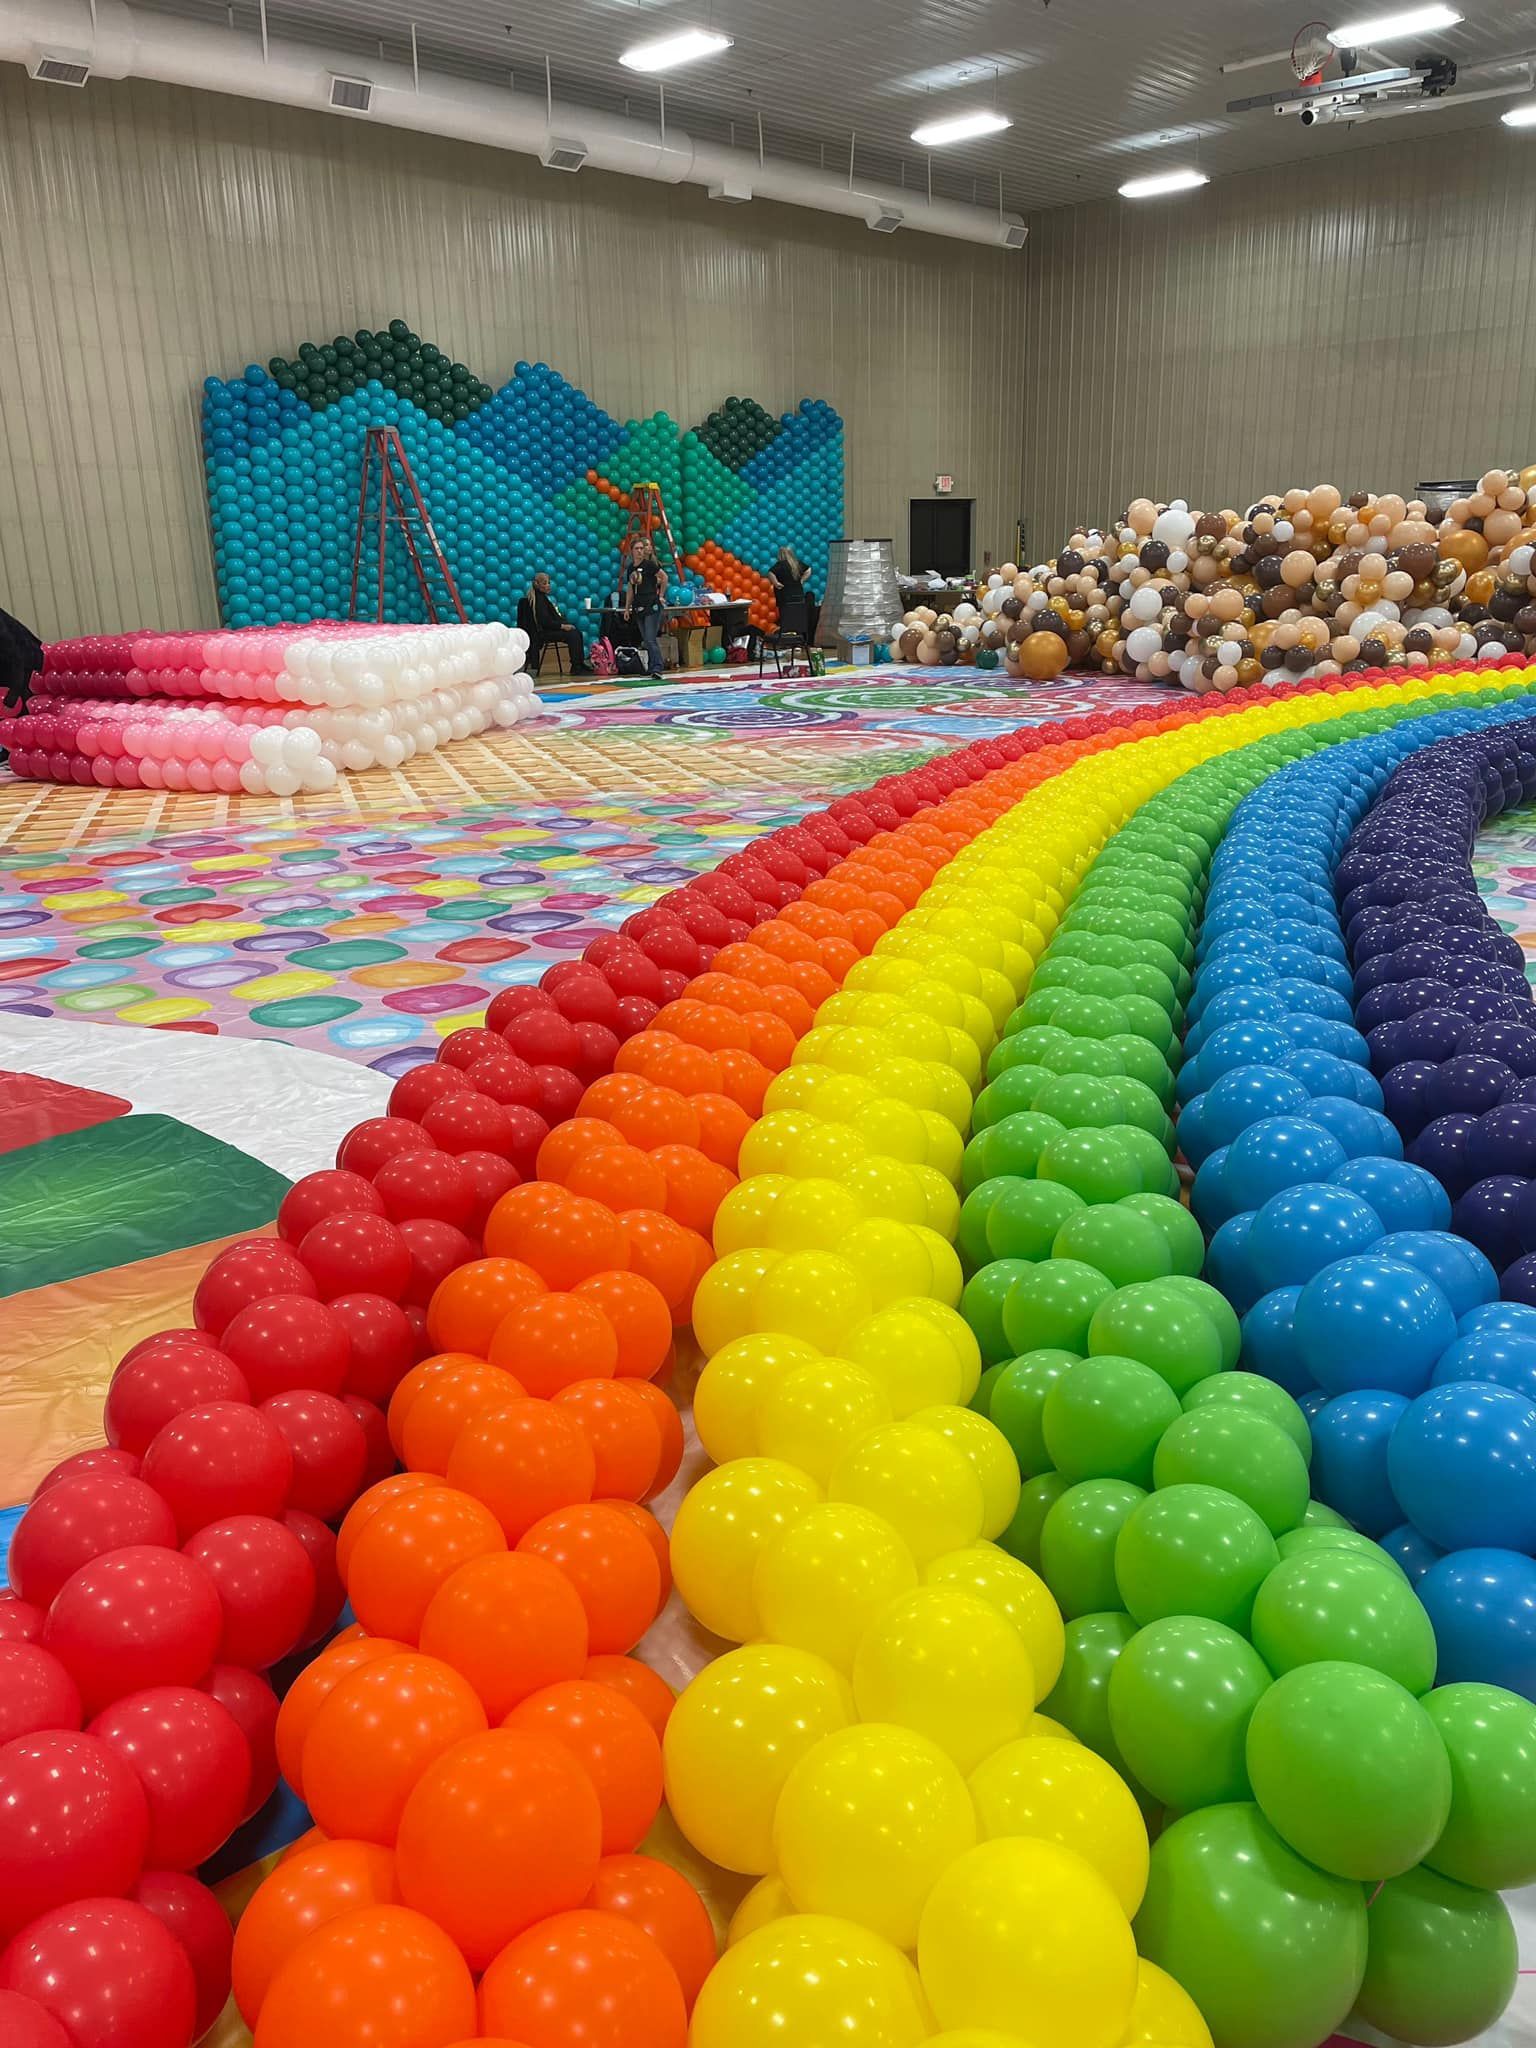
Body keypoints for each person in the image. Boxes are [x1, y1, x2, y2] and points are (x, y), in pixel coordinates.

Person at [516, 573, 588, 674]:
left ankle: (580, 664)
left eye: (549, 583)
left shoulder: (542, 598)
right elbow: (545, 622)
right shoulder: (539, 600)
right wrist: (562, 626)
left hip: (548, 630)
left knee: (575, 632)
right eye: (545, 583)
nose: (548, 585)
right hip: (543, 633)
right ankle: (576, 666)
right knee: (573, 634)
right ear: (537, 585)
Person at [625, 537, 669, 678]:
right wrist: (627, 607)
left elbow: (664, 577)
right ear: (631, 551)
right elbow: (630, 588)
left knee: (650, 638)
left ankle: (657, 667)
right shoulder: (631, 568)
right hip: (638, 606)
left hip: (652, 605)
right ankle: (651, 666)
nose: (639, 551)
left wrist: (661, 595)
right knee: (646, 639)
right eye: (636, 549)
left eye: (641, 548)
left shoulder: (649, 565)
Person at [770, 546, 821, 643]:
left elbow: (770, 573)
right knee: (798, 620)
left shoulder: (780, 565)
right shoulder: (796, 564)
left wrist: (776, 583)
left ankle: (786, 639)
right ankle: (801, 639)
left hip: (785, 596)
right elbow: (809, 569)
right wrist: (802, 580)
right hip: (798, 596)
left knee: (786, 620)